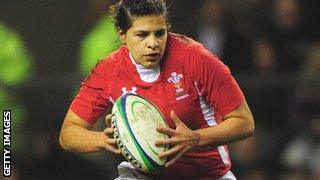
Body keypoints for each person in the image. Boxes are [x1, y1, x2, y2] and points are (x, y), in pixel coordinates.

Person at [59, 0, 255, 179]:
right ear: (121, 34)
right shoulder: (108, 71)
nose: (153, 43)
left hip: (207, 174)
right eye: (142, 35)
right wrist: (104, 139)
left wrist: (196, 138)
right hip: (141, 175)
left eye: (160, 33)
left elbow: (244, 122)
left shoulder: (197, 59)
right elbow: (68, 134)